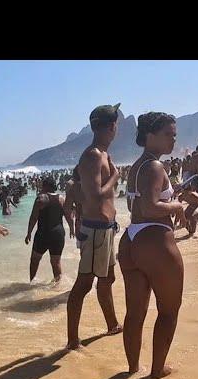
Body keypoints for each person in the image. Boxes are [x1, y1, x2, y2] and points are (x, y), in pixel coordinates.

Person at [118, 112, 185, 379]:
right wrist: (177, 205)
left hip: (131, 240)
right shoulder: (155, 167)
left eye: (174, 134)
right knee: (168, 311)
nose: (173, 139)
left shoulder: (137, 166)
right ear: (150, 136)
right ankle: (157, 370)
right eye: (168, 134)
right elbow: (150, 206)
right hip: (156, 242)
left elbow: (137, 204)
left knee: (135, 313)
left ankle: (133, 368)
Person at [66, 104, 123, 350]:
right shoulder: (92, 156)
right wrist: (116, 177)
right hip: (96, 230)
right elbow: (95, 194)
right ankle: (72, 340)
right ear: (111, 126)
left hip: (106, 228)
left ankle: (112, 324)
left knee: (107, 278)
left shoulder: (102, 153)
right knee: (84, 284)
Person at [25, 176, 73, 282]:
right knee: (56, 262)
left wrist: (29, 233)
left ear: (46, 186)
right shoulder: (61, 199)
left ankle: (31, 282)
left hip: (43, 233)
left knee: (35, 260)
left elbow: (33, 217)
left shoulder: (41, 198)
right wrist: (72, 228)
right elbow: (68, 215)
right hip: (58, 234)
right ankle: (58, 285)